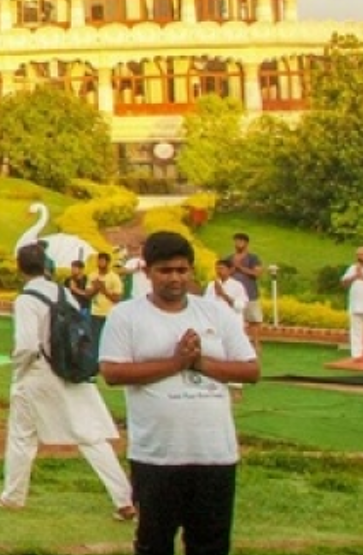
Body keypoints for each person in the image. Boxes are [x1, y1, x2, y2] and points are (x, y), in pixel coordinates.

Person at [99, 231, 259, 555]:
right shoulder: (127, 316)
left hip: (214, 454)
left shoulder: (216, 313)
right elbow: (112, 373)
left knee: (210, 545)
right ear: (147, 271)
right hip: (158, 456)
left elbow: (250, 370)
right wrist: (175, 363)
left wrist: (198, 363)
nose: (175, 278)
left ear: (191, 271)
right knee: (154, 544)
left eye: (182, 270)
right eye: (165, 270)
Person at [0, 244, 134, 520]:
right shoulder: (62, 292)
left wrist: (18, 373)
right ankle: (124, 498)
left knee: (22, 435)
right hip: (71, 369)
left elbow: (26, 345)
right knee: (91, 435)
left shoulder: (26, 300)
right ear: (46, 266)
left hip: (38, 373)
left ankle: (13, 496)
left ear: (20, 268)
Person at [229, 232, 264, 341]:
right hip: (233, 297)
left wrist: (240, 267)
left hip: (250, 295)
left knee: (254, 321)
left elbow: (257, 273)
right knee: (234, 321)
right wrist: (233, 268)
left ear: (246, 243)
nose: (238, 243)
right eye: (236, 241)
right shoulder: (229, 258)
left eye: (241, 241)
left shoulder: (253, 258)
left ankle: (256, 346)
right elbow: (223, 273)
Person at [91, 252, 123, 338]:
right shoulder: (93, 275)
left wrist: (104, 290)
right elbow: (87, 294)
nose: (99, 263)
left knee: (109, 339)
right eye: (98, 260)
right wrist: (95, 289)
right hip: (95, 313)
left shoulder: (114, 277)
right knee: (95, 339)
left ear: (108, 262)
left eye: (102, 261)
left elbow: (117, 298)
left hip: (109, 314)